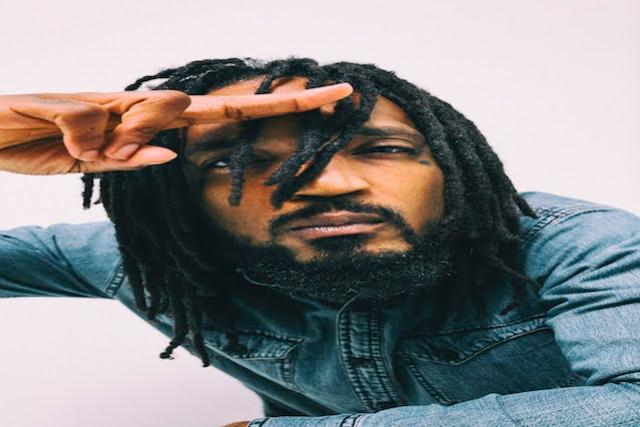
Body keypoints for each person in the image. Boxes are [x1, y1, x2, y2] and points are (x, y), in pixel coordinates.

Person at [1, 57, 638, 427]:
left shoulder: (582, 244)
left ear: (453, 169)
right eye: (238, 163)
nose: (326, 184)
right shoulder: (151, 259)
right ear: (179, 198)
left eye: (382, 149)